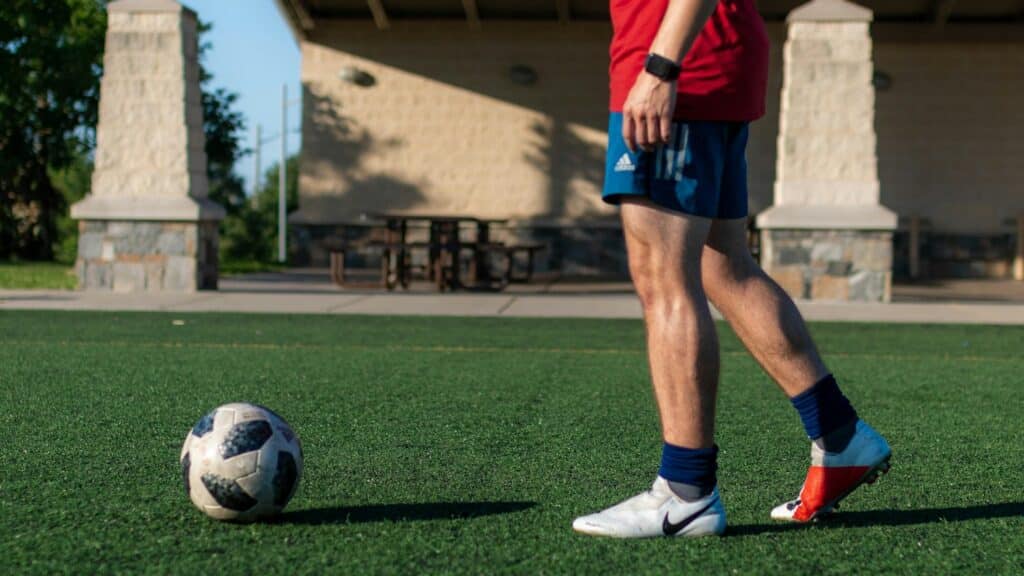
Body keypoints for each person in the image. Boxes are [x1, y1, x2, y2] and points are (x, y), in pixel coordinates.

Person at [571, 0, 892, 538]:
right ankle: (840, 435)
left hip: (677, 67)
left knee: (665, 277)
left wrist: (660, 67)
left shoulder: (667, 65)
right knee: (723, 266)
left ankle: (686, 491)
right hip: (711, 60)